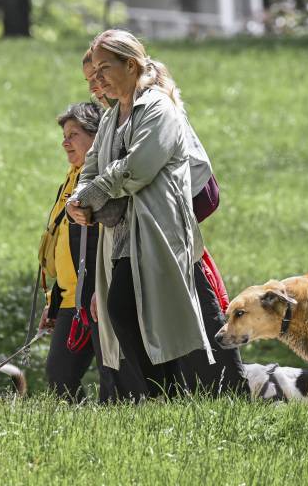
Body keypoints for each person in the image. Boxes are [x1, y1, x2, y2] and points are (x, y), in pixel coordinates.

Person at [67, 30, 246, 400]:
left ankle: (171, 396)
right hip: (123, 236)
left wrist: (93, 194)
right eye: (92, 73)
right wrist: (79, 200)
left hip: (160, 233)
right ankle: (159, 397)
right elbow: (92, 167)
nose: (96, 80)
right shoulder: (110, 117)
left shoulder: (159, 108)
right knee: (124, 313)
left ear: (130, 65)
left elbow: (139, 167)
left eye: (104, 69)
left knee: (153, 316)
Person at [38, 101, 112, 401]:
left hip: (99, 297)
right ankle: (77, 430)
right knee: (60, 376)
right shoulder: (71, 178)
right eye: (64, 135)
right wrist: (53, 300)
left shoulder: (98, 180)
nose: (65, 142)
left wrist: (103, 290)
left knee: (114, 378)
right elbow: (64, 248)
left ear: (95, 137)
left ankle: (117, 433)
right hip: (71, 299)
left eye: (74, 134)